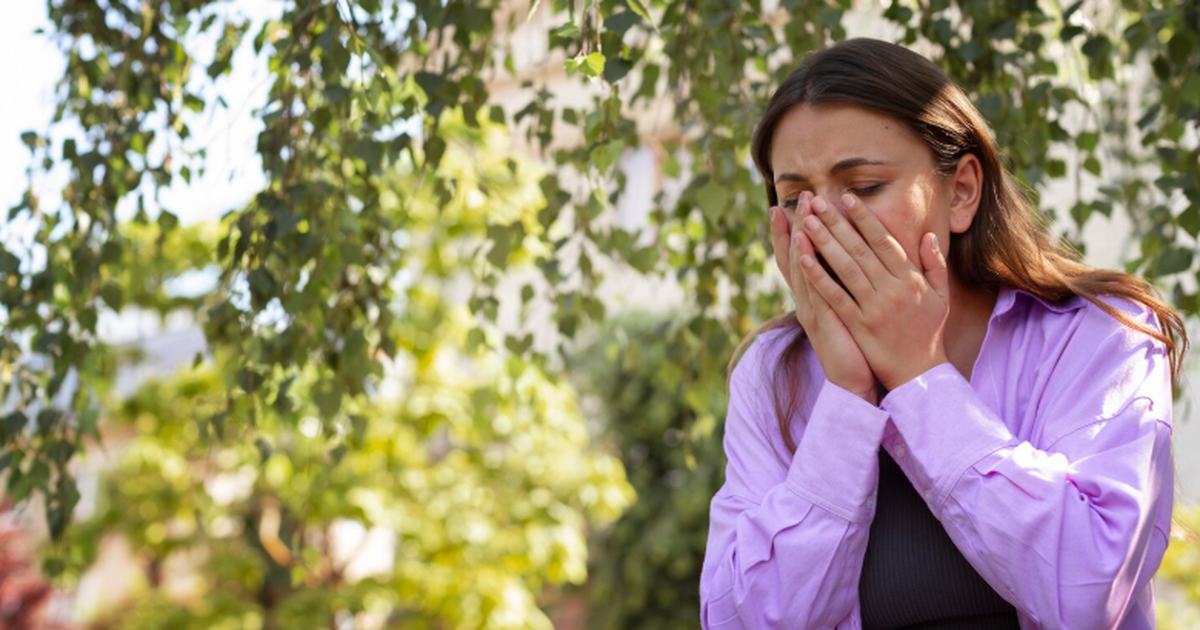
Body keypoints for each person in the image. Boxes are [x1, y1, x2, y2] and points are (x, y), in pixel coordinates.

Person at [699, 38, 1188, 630]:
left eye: (864, 187)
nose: (822, 222)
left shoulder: (1101, 335)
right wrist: (848, 400)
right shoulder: (774, 373)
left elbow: (1091, 590)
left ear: (961, 192)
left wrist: (919, 377)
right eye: (795, 197)